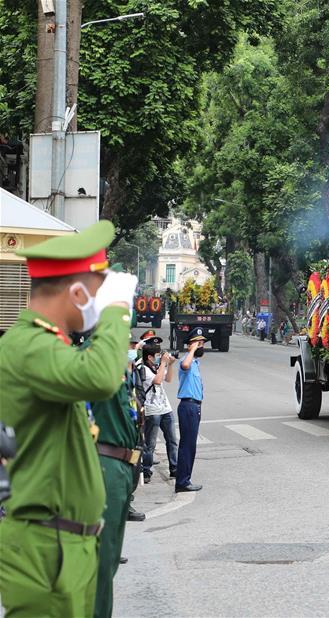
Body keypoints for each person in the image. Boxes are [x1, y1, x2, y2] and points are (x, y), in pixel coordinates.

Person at [0, 220, 137, 617]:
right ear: (77, 292)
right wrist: (116, 313)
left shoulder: (46, 346)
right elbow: (100, 377)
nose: (101, 299)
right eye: (97, 290)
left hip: (64, 544)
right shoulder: (28, 345)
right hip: (44, 549)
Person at [87, 327, 144, 618]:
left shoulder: (119, 365)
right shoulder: (95, 357)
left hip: (120, 467)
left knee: (107, 563)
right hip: (103, 465)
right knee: (98, 569)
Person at [140, 334, 179, 483]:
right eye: (157, 355)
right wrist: (163, 363)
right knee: (150, 444)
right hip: (152, 410)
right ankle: (146, 471)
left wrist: (170, 364)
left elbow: (168, 379)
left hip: (165, 408)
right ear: (150, 357)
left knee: (172, 440)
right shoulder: (144, 369)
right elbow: (156, 381)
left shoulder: (157, 367)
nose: (159, 357)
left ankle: (174, 469)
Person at [175, 327, 207, 493]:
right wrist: (192, 348)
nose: (201, 346)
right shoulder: (185, 361)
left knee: (190, 445)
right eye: (198, 343)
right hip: (188, 406)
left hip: (194, 407)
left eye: (202, 344)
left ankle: (184, 479)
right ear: (190, 346)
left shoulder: (195, 363)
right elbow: (185, 364)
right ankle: (182, 481)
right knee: (187, 445)